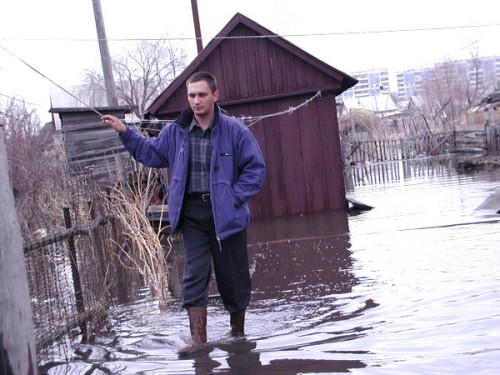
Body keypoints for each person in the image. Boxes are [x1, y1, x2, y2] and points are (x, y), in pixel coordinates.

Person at [101, 71, 266, 355]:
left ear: (215, 95)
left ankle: (238, 334)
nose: (196, 101)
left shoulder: (235, 131)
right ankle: (198, 341)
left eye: (202, 95)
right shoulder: (175, 132)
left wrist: (233, 197)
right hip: (193, 215)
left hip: (227, 216)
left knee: (233, 277)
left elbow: (256, 169)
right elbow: (151, 154)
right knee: (194, 275)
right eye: (191, 95)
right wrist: (126, 133)